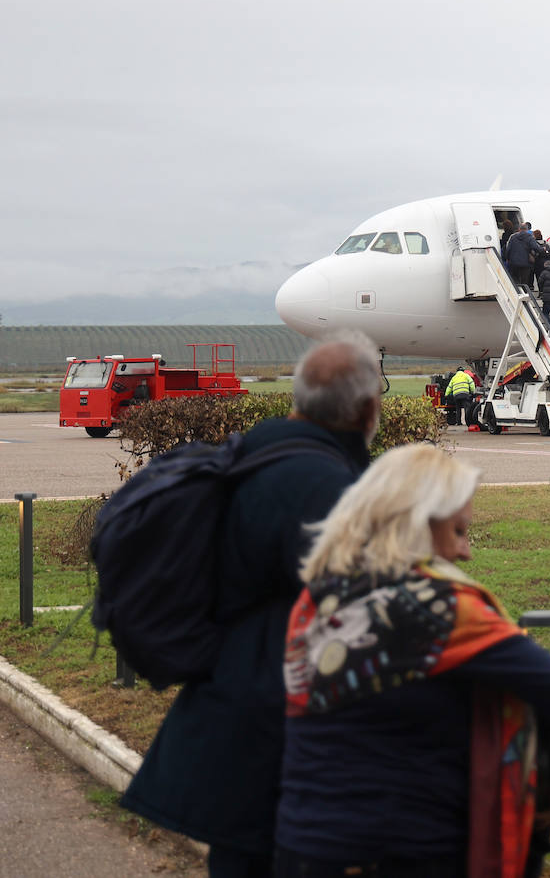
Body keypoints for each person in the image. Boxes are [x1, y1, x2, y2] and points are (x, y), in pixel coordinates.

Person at [121, 332, 381, 877]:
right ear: (365, 410)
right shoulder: (323, 485)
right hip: (281, 724)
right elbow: (360, 613)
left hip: (229, 705)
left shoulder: (253, 453)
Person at [274, 443, 550, 877]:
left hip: (304, 841)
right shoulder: (433, 609)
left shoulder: (315, 600)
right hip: (406, 848)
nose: (466, 552)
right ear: (420, 524)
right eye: (458, 531)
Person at [504, 224, 536, 288]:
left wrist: (507, 258)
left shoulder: (513, 237)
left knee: (515, 279)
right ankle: (524, 291)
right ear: (527, 229)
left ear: (519, 229)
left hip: (514, 262)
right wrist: (542, 250)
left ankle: (517, 291)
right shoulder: (530, 237)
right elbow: (535, 247)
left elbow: (508, 249)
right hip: (526, 263)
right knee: (524, 281)